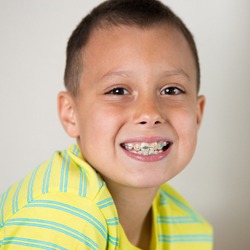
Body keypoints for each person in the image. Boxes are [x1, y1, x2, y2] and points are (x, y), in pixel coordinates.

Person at [0, 0, 213, 249]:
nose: (149, 113)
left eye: (171, 89)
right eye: (119, 90)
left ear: (197, 115)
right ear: (71, 115)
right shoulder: (63, 217)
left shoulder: (190, 227)